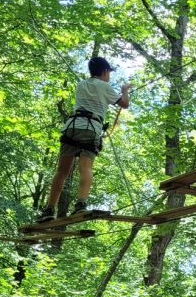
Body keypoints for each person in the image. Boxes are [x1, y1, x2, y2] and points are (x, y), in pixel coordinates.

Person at [37, 56, 131, 222]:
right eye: (109, 73)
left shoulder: (81, 85)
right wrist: (124, 90)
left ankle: (49, 209)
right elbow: (124, 104)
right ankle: (80, 204)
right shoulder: (105, 86)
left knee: (62, 171)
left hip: (72, 127)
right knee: (85, 167)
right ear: (105, 71)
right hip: (90, 128)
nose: (109, 76)